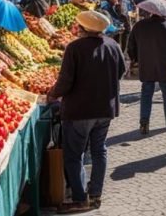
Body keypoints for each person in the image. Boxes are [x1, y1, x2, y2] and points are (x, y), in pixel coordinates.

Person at [47, 11, 126, 214]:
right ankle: (96, 194)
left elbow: (65, 82)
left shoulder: (74, 48)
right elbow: (121, 72)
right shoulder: (113, 45)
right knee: (99, 150)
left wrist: (52, 95)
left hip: (80, 110)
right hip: (105, 109)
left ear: (82, 29)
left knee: (74, 155)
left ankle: (80, 198)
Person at [127, 9, 166, 134]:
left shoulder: (139, 25)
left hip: (146, 64)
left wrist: (136, 59)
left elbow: (130, 45)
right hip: (164, 65)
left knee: (146, 94)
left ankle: (144, 123)